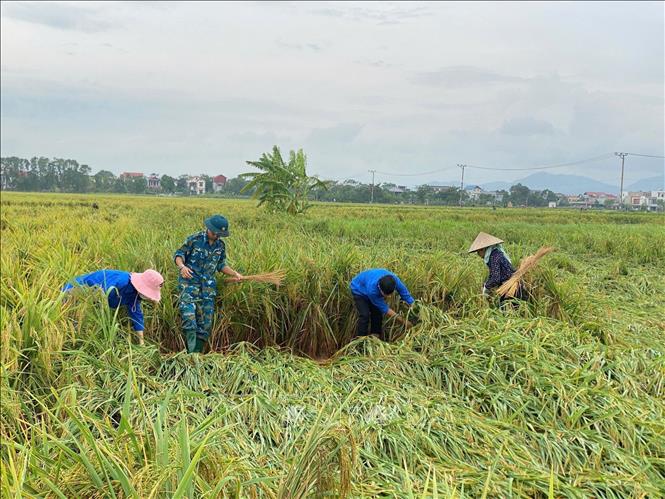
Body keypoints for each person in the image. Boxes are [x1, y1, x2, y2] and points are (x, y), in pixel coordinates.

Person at [174, 215, 244, 353]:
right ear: (209, 229)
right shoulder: (194, 239)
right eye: (215, 233)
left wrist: (234, 274)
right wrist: (182, 267)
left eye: (220, 235)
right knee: (189, 319)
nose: (217, 236)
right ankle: (190, 355)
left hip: (208, 290)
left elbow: (221, 265)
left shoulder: (220, 246)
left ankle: (197, 355)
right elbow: (179, 255)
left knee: (205, 325)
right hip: (189, 286)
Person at [62, 268, 164, 345]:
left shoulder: (135, 295)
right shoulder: (122, 281)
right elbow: (99, 298)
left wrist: (142, 344)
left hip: (91, 303)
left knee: (81, 330)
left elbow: (136, 316)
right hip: (75, 292)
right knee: (72, 327)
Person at [349, 268, 415, 340]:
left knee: (377, 313)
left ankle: (375, 337)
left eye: (390, 294)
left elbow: (406, 295)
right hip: (359, 290)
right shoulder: (373, 290)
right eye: (385, 295)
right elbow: (385, 309)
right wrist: (404, 322)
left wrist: (416, 307)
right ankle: (360, 340)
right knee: (365, 315)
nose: (389, 297)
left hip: (369, 283)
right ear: (379, 288)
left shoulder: (394, 281)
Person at [468, 232, 523, 305]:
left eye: (478, 252)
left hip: (511, 287)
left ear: (483, 249)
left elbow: (495, 278)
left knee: (507, 309)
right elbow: (493, 274)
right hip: (509, 286)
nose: (478, 255)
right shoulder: (495, 254)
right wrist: (487, 284)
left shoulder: (494, 256)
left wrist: (486, 288)